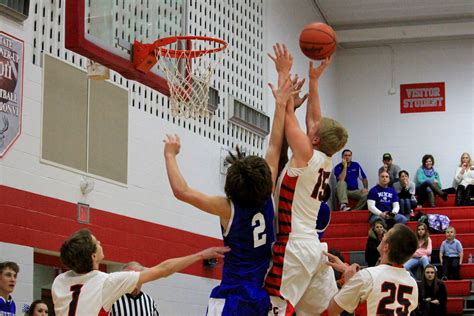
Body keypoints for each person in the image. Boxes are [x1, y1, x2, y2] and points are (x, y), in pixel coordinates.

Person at [164, 43, 299, 316]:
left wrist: (170, 155)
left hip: (231, 296)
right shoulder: (266, 190)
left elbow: (182, 191)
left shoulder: (227, 208)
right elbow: (274, 146)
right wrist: (282, 97)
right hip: (261, 295)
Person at [264, 43, 348, 315]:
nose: (312, 122)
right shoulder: (325, 158)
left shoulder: (306, 155)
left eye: (313, 128)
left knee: (276, 307)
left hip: (294, 246)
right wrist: (313, 81)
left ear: (314, 138)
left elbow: (285, 112)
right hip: (314, 248)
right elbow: (315, 118)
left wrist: (283, 73)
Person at [52, 229, 229, 316]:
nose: (100, 241)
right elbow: (163, 269)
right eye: (96, 242)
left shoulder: (58, 281)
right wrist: (200, 255)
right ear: (93, 256)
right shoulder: (106, 282)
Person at [326, 224, 419, 316]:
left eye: (387, 234)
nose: (383, 234)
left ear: (386, 247)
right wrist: (350, 272)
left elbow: (332, 310)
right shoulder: (412, 283)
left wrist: (347, 283)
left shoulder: (367, 276)